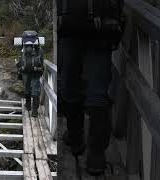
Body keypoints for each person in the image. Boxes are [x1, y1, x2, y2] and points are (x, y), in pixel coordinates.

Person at [57, 0, 125, 175]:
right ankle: (96, 156)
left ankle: (75, 138)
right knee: (98, 92)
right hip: (103, 27)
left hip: (70, 25)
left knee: (70, 85)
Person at [16, 30, 44, 117]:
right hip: (36, 71)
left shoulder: (22, 48)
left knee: (26, 87)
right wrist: (40, 69)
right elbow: (41, 62)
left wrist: (19, 68)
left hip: (25, 71)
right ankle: (35, 111)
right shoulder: (39, 49)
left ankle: (28, 106)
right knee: (35, 89)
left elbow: (19, 60)